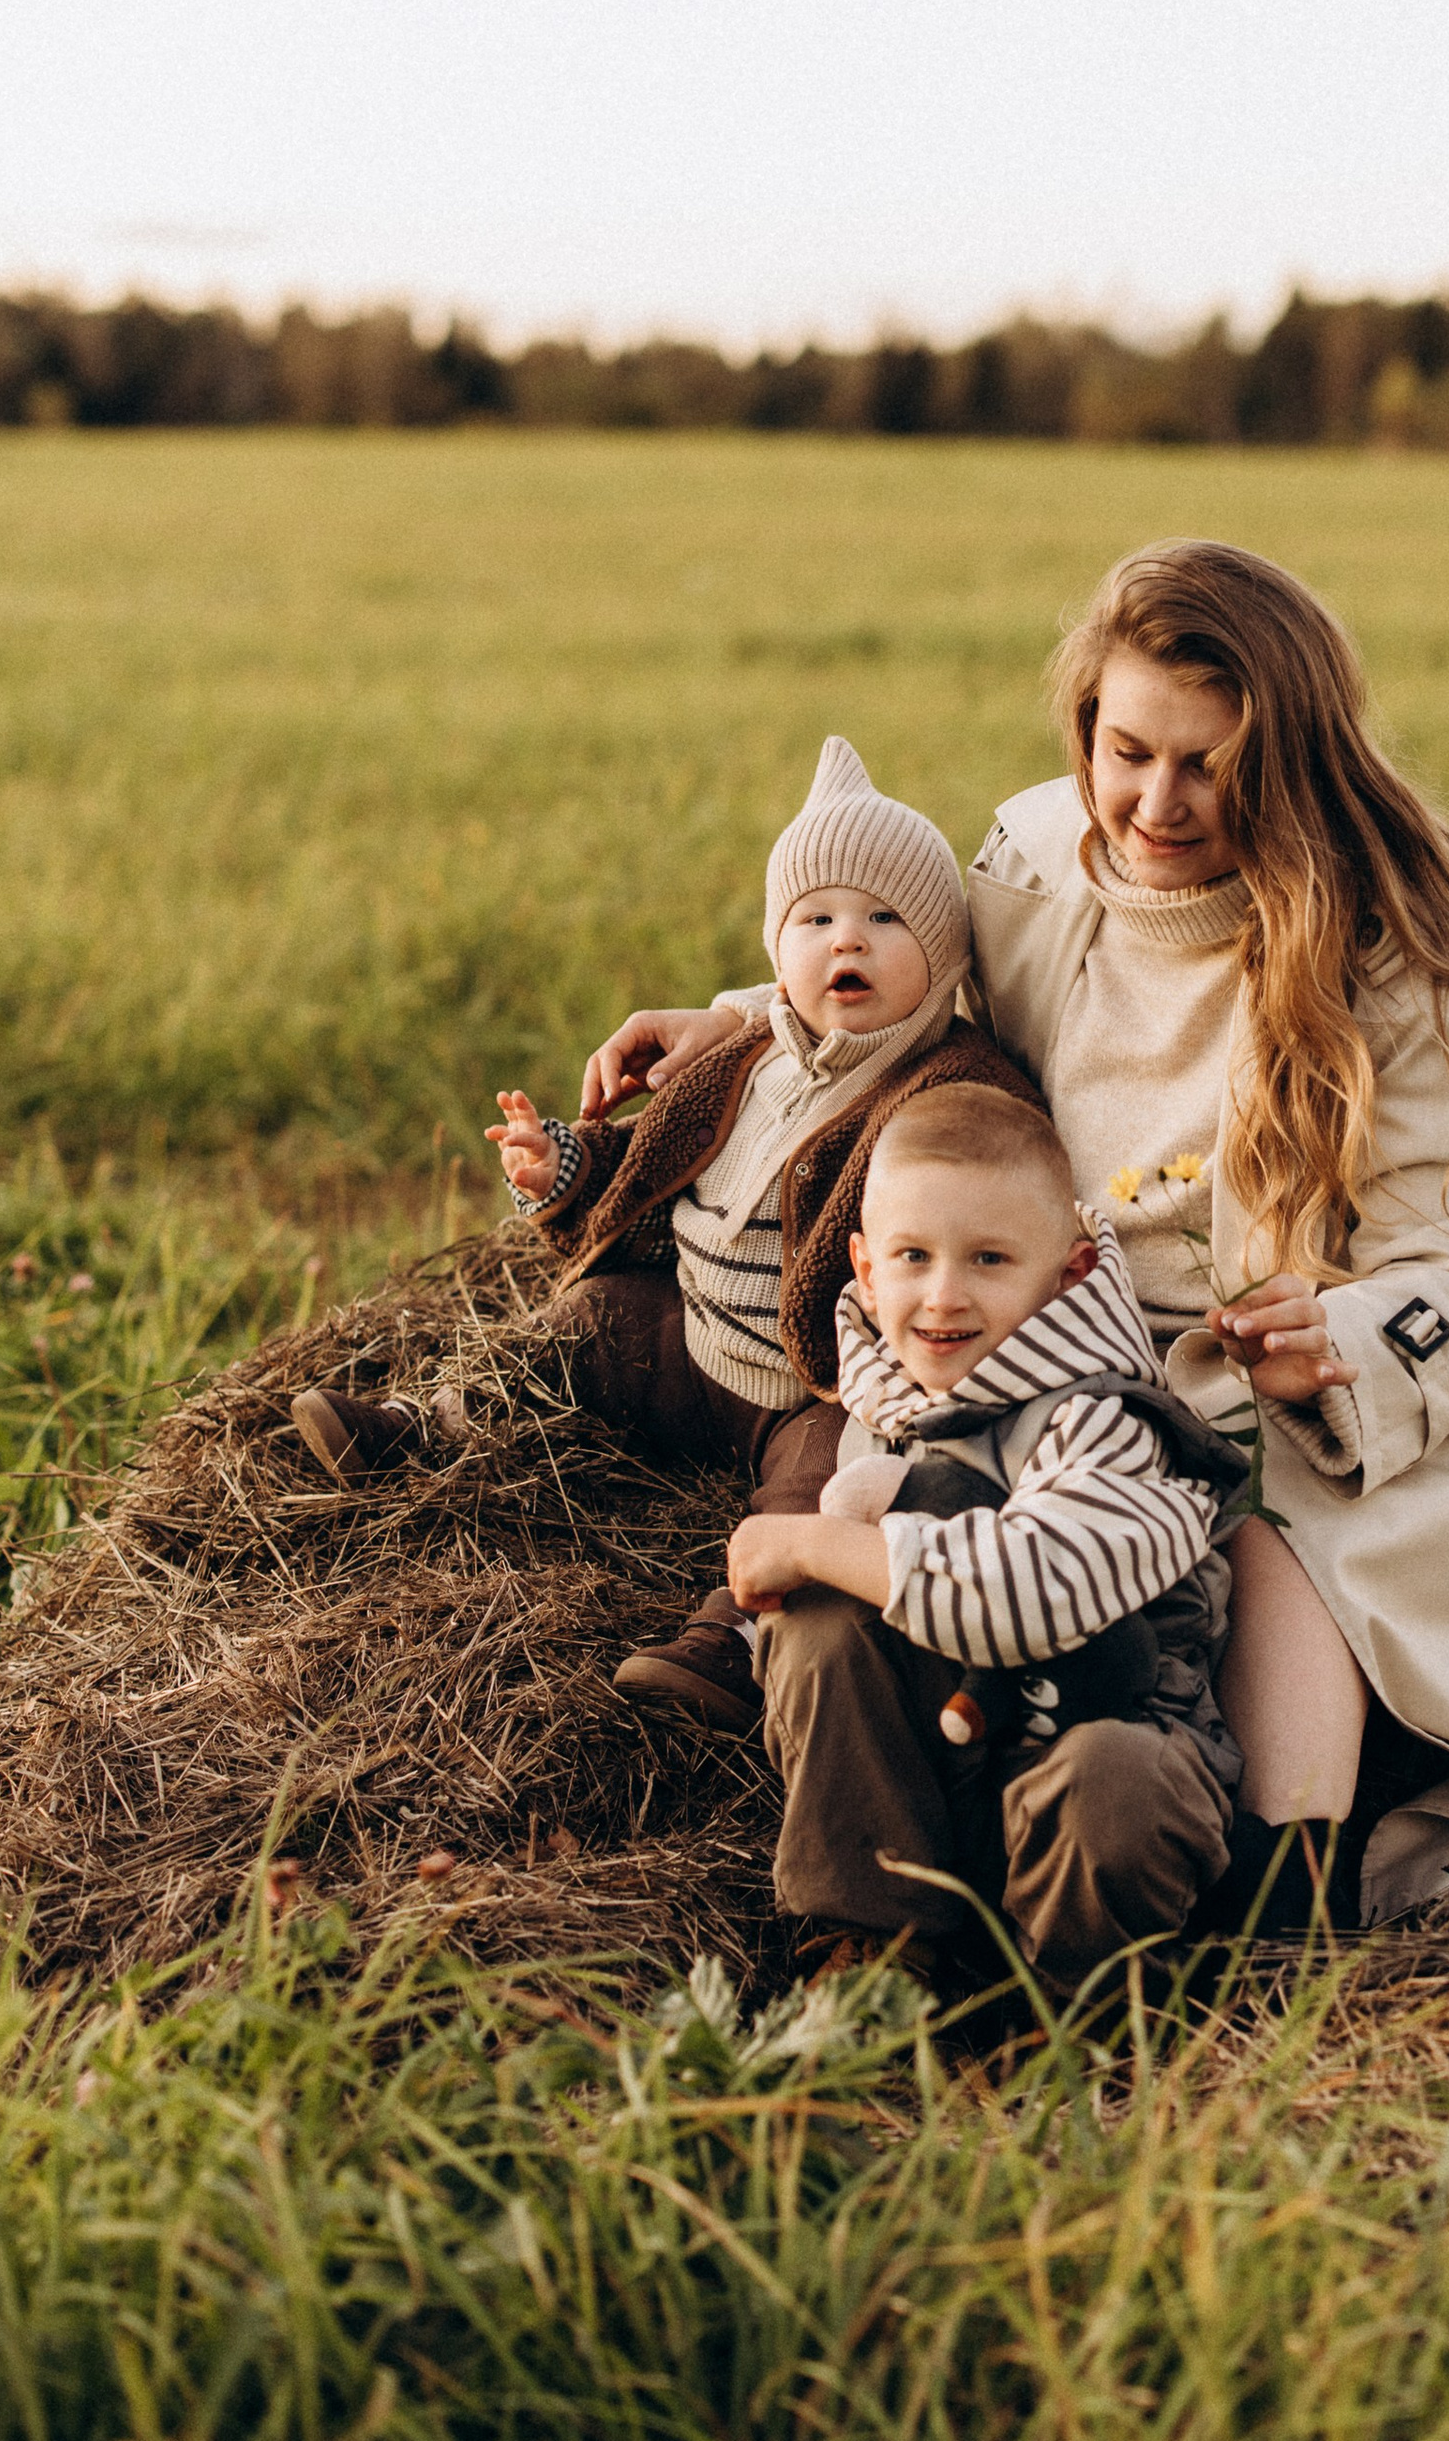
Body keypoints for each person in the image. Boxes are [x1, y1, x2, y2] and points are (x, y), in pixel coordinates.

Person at [596, 545, 1449, 1931]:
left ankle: (1277, 1904)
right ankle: (906, 1869)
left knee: (1272, 1524)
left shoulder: (1413, 953)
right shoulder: (1036, 863)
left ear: (1292, 758)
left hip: (1362, 1322)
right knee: (922, 1476)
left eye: (1210, 767)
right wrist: (742, 1019)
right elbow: (891, 966)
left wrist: (1340, 1342)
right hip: (1076, 1308)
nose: (1156, 804)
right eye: (1128, 752)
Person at [288, 736, 1039, 1729]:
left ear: (942, 957)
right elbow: (659, 1154)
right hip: (694, 1350)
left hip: (811, 1381)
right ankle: (428, 1428)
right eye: (814, 919)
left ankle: (736, 1636)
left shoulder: (947, 1085)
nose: (844, 943)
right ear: (777, 951)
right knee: (590, 1321)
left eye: (883, 918)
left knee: (836, 1482)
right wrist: (563, 1167)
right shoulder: (744, 1059)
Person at [729, 1083, 1245, 1981]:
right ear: (864, 1266)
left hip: (1087, 1780)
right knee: (818, 1625)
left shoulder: (1109, 1421)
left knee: (1114, 1780)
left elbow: (1035, 1590)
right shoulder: (892, 1399)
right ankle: (879, 1946)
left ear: (1070, 1272)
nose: (942, 1296)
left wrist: (814, 1542)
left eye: (990, 1259)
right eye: (913, 1256)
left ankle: (1076, 2002)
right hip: (942, 1780)